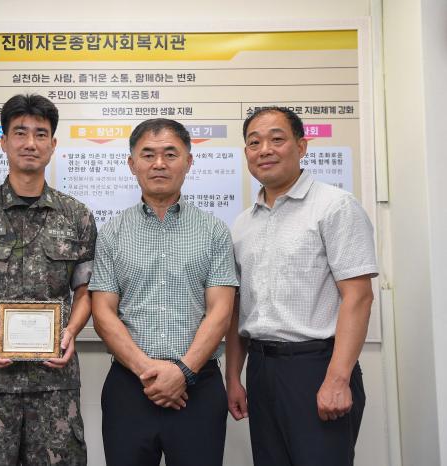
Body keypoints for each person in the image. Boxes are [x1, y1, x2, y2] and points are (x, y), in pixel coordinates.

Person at [0, 93, 97, 466]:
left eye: (41, 134)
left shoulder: (77, 216)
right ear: (4, 141)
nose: (30, 143)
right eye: (20, 133)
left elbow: (86, 289)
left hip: (54, 385)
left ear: (53, 145)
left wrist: (72, 330)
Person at [225, 106, 378, 466]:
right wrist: (233, 376)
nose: (265, 149)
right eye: (254, 142)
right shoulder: (243, 224)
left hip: (317, 366)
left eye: (277, 139)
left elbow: (358, 297)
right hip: (262, 369)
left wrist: (338, 380)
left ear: (302, 146)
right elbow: (237, 309)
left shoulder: (334, 207)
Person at [89, 118, 238, 466]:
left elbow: (221, 312)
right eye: (148, 155)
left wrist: (182, 372)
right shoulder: (112, 232)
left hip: (198, 388)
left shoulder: (214, 231)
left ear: (188, 160)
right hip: (130, 388)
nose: (159, 163)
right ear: (132, 164)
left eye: (170, 154)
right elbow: (103, 312)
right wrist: (150, 372)